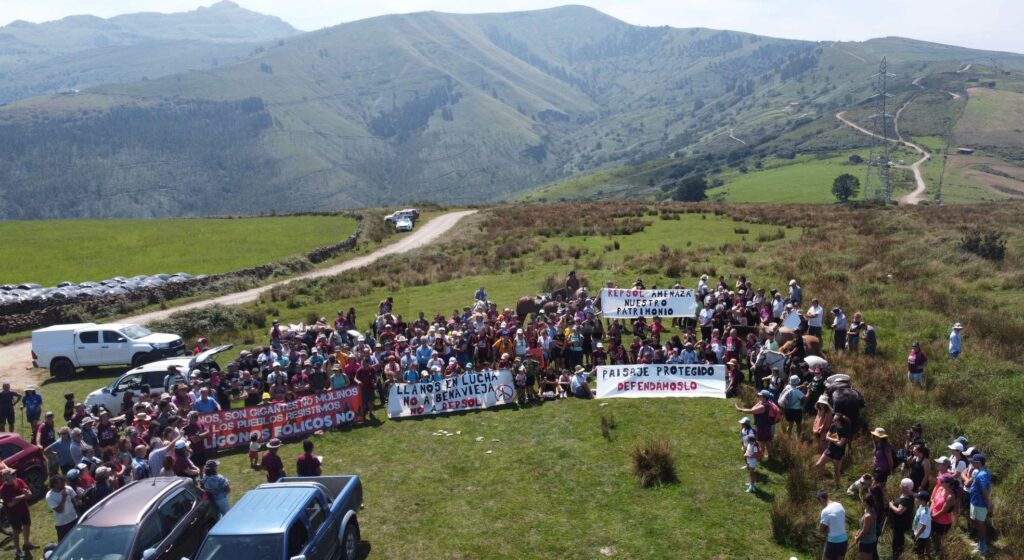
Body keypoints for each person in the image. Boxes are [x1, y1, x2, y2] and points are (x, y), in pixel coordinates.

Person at [1, 468, 35, 557]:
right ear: (6, 477)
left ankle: (26, 544)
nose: (15, 475)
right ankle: (18, 550)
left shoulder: (19, 481)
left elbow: (29, 493)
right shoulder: (3, 489)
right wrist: (22, 497)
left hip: (24, 509)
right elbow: (10, 504)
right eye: (12, 474)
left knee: (27, 525)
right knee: (16, 530)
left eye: (14, 473)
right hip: (13, 514)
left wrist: (16, 498)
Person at [736, 390, 777, 459]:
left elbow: (752, 411)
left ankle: (761, 455)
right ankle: (769, 455)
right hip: (766, 425)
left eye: (760, 396)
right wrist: (759, 402)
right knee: (767, 440)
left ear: (764, 397)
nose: (759, 397)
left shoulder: (763, 407)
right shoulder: (764, 403)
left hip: (762, 426)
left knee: (762, 441)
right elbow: (753, 408)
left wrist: (740, 409)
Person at [966, 453, 992, 555]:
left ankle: (983, 548)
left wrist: (988, 504)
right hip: (975, 502)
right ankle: (980, 543)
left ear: (978, 462)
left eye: (973, 461)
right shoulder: (980, 472)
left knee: (981, 525)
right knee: (977, 523)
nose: (971, 463)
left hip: (980, 504)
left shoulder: (983, 474)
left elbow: (985, 490)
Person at [817, 413, 850, 487]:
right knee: (818, 465)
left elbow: (840, 444)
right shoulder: (833, 426)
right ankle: (823, 481)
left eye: (834, 420)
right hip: (830, 449)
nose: (833, 421)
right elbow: (826, 437)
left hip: (839, 452)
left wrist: (831, 439)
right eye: (833, 419)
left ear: (839, 421)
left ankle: (837, 484)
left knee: (836, 470)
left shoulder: (845, 430)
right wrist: (836, 440)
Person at [46, 474, 79, 543]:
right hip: (62, 524)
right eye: (62, 483)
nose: (64, 485)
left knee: (76, 541)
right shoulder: (50, 496)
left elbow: (76, 502)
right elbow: (60, 510)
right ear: (55, 484)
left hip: (74, 519)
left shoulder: (68, 488)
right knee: (64, 544)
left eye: (64, 482)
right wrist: (64, 497)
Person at [888, 478, 915, 559]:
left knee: (897, 540)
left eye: (901, 485)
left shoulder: (906, 500)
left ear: (906, 488)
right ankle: (899, 553)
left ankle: (896, 555)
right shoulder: (907, 494)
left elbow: (899, 511)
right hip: (900, 522)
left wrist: (891, 505)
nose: (899, 486)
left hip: (900, 523)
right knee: (899, 538)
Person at [817, 490, 848, 560]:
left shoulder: (826, 511)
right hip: (844, 539)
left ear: (821, 499)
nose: (820, 503)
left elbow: (821, 529)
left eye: (819, 501)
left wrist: (824, 529)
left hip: (833, 541)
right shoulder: (839, 505)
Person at [853, 494, 879, 560]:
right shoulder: (871, 511)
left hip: (866, 542)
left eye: (862, 501)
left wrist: (857, 538)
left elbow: (865, 531)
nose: (861, 502)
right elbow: (864, 527)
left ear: (866, 502)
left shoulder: (868, 516)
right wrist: (858, 531)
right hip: (871, 540)